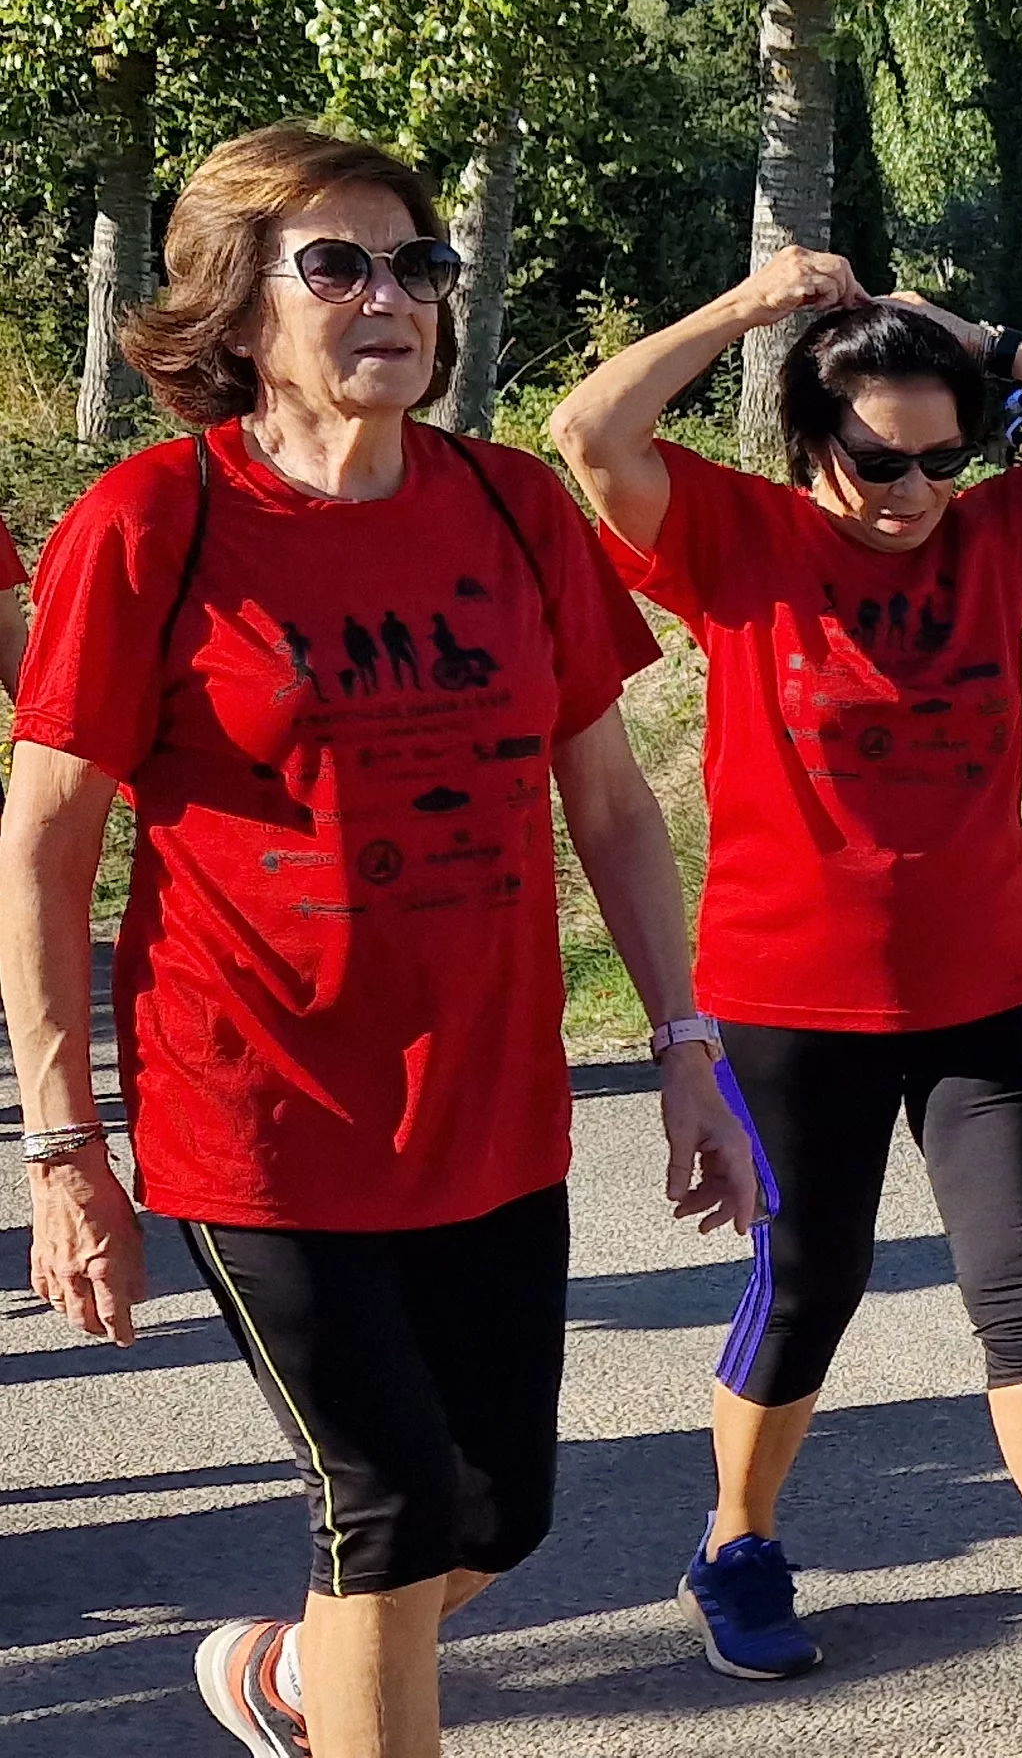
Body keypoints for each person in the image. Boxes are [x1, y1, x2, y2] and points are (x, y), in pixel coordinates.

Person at [3, 124, 758, 1758]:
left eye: (416, 263)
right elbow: (47, 837)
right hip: (260, 1109)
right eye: (334, 263)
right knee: (395, 1505)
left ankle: (288, 1676)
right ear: (236, 306)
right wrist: (64, 1143)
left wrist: (687, 1044)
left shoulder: (512, 507)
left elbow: (614, 805)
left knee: (501, 1512)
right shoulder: (154, 523)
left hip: (486, 1107)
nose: (390, 296)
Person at [546, 252, 1022, 1735]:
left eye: (948, 453)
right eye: (881, 459)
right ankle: (734, 1546)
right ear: (814, 443)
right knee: (811, 1288)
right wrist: (746, 312)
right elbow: (590, 431)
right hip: (785, 997)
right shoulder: (736, 538)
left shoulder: (1000, 536)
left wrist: (989, 341)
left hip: (987, 988)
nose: (917, 487)